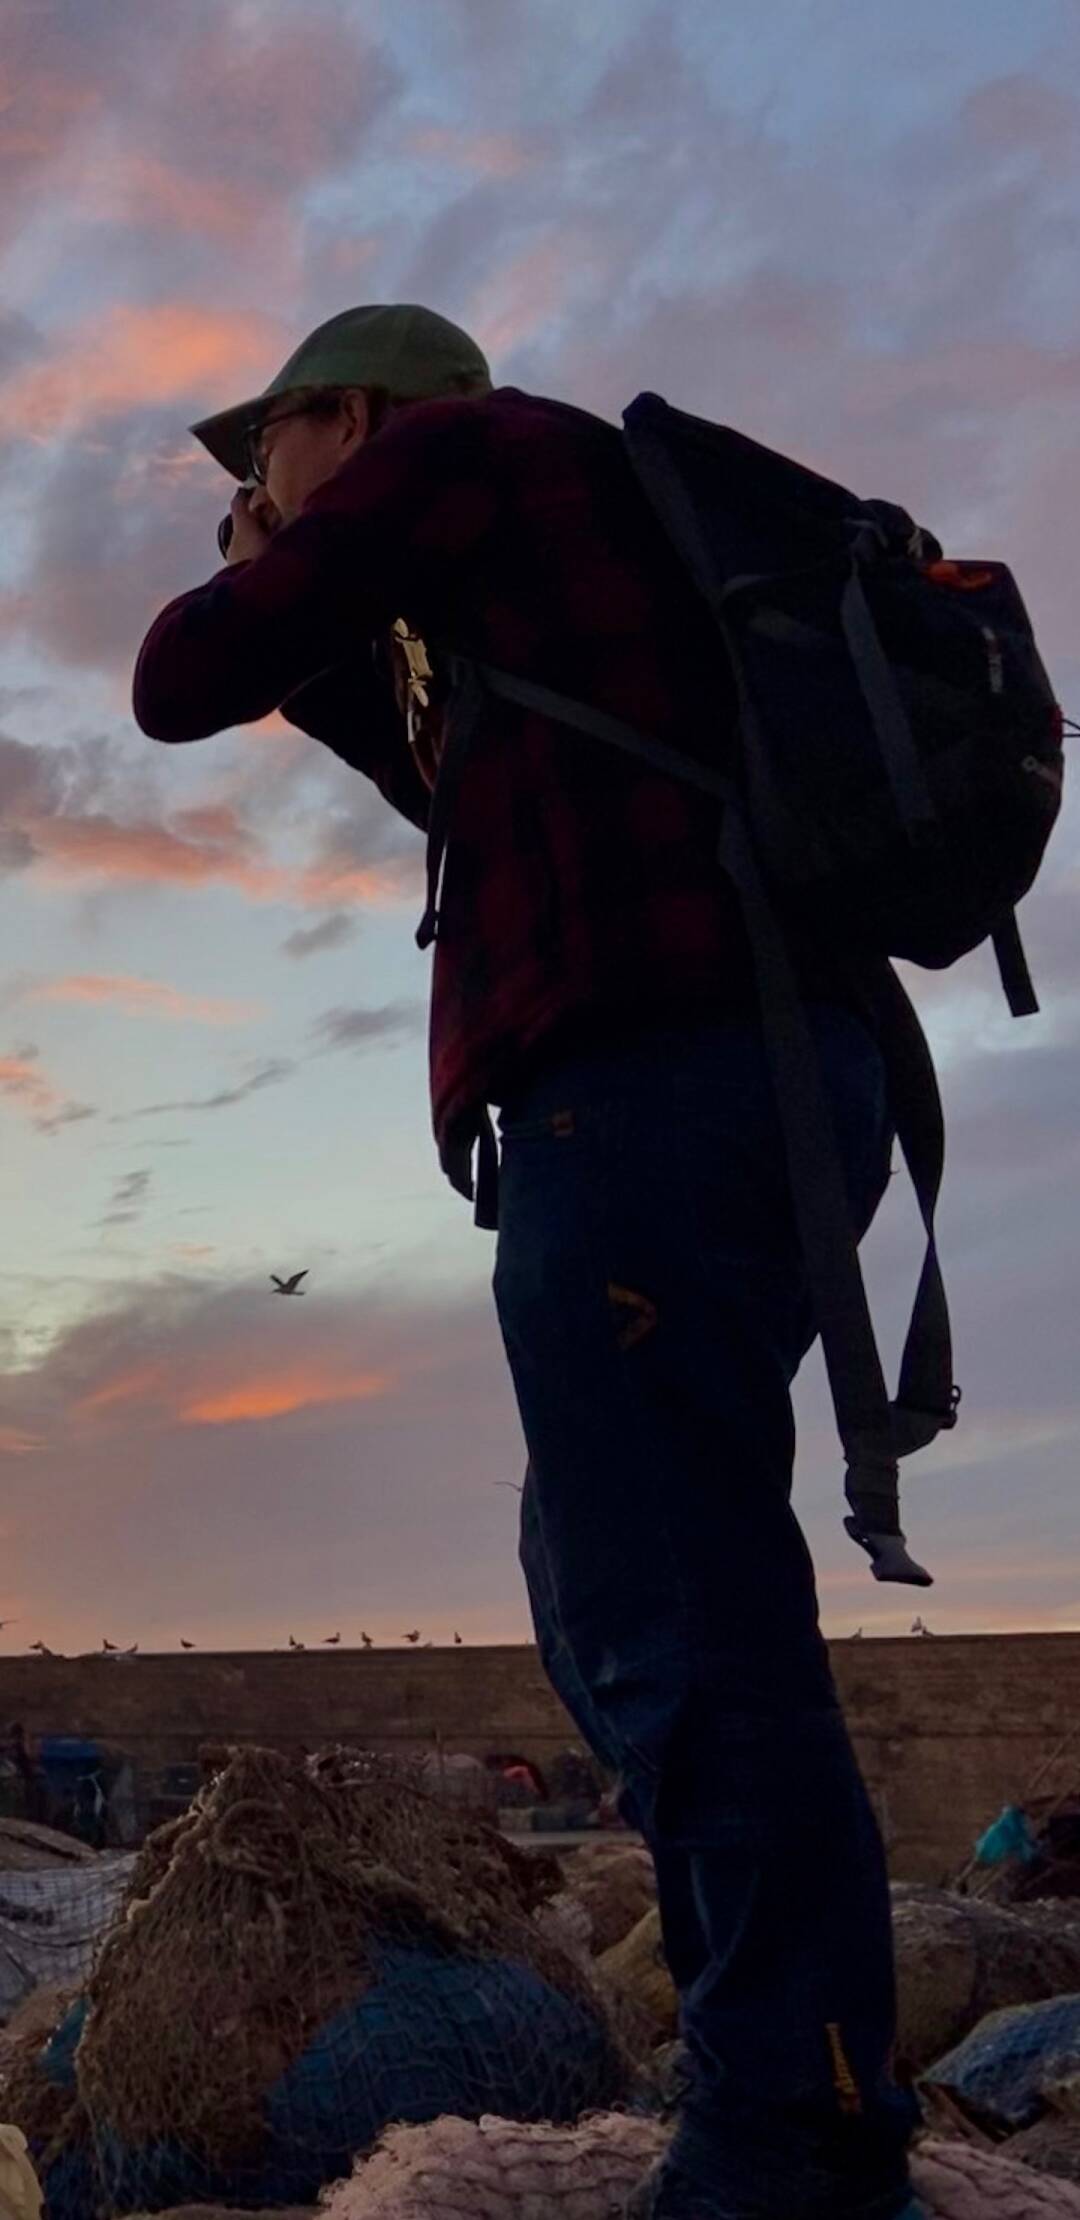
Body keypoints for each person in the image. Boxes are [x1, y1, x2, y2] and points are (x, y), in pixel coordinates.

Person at [133, 303, 925, 2220]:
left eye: (267, 461)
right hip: (731, 1082)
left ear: (347, 415)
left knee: (682, 1611)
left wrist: (257, 571)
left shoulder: (467, 453)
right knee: (606, 1577)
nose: (259, 498)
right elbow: (456, 790)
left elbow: (177, 677)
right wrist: (340, 645)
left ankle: (792, 2135)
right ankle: (798, 2075)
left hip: (650, 1085)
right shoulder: (567, 550)